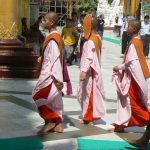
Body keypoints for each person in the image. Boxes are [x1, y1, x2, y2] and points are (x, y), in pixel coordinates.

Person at [111, 20, 150, 132]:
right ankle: (120, 125)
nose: (126, 28)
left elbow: (131, 64)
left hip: (133, 80)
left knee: (133, 105)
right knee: (128, 103)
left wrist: (118, 67)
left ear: (133, 28)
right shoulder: (137, 41)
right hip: (134, 78)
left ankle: (122, 125)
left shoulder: (134, 43)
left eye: (128, 26)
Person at [32, 12, 64, 135]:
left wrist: (57, 80)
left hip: (50, 75)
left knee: (37, 95)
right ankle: (58, 124)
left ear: (51, 22)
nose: (43, 22)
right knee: (55, 100)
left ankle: (50, 120)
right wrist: (43, 57)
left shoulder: (53, 39)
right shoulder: (53, 36)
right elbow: (51, 56)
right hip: (51, 73)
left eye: (45, 20)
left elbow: (55, 59)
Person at [77, 14, 106, 125]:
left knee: (89, 94)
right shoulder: (97, 38)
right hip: (94, 71)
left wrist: (84, 71)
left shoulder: (90, 41)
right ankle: (90, 117)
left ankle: (88, 118)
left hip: (89, 71)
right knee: (92, 93)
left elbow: (89, 57)